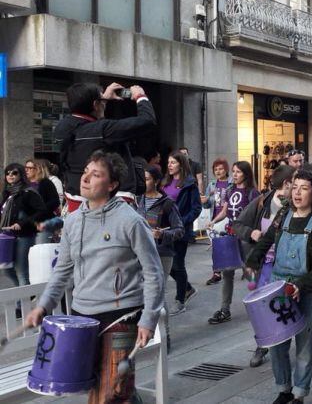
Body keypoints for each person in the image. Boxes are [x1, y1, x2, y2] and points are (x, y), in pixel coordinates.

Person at [26, 151, 164, 403]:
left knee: (113, 392)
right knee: (97, 387)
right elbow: (63, 269)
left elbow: (153, 272)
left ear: (111, 185)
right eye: (86, 172)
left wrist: (148, 319)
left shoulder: (130, 221)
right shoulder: (73, 220)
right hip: (82, 319)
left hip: (121, 316)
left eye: (96, 174)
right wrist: (43, 305)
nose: (86, 178)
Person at [245, 170, 312, 404]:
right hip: (278, 290)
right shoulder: (284, 213)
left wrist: (302, 284)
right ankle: (283, 389)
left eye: (304, 188)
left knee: (305, 347)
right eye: (295, 187)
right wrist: (253, 261)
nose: (297, 192)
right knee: (277, 344)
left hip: (307, 291)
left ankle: (299, 394)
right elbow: (266, 240)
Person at [232, 164, 295, 367]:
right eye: (295, 183)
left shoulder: (298, 204)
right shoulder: (262, 202)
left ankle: (287, 339)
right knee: (263, 306)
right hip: (267, 264)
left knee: (289, 304)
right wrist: (252, 233)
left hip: (291, 264)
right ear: (286, 184)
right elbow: (238, 224)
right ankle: (263, 345)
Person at [55, 83, 155, 210]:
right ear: (95, 105)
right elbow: (147, 121)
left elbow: (86, 122)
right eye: (101, 100)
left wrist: (102, 100)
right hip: (110, 203)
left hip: (75, 201)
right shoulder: (104, 130)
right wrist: (140, 96)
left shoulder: (62, 128)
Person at [207, 161, 260, 324]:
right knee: (227, 273)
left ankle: (259, 305)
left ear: (246, 174)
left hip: (246, 239)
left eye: (238, 172)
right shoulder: (230, 190)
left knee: (251, 274)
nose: (234, 175)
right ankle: (225, 308)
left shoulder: (253, 193)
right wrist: (214, 221)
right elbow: (225, 211)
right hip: (230, 236)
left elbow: (257, 217)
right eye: (234, 172)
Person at [162, 151, 202, 315]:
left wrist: (181, 222)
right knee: (165, 264)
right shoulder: (165, 182)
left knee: (178, 264)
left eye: (173, 162)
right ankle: (188, 288)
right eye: (168, 162)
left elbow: (196, 208)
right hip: (164, 230)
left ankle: (180, 300)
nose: (169, 165)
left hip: (180, 231)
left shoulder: (189, 184)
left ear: (181, 164)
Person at [0, 163, 47, 286]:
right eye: (8, 173)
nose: (10, 175)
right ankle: (24, 295)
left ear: (21, 175)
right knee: (6, 269)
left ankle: (22, 303)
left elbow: (42, 211)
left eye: (14, 173)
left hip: (24, 236)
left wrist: (22, 223)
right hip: (7, 237)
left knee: (21, 271)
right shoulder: (7, 194)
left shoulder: (28, 192)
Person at [137, 166, 184, 281]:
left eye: (147, 179)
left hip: (161, 254)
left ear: (156, 181)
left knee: (157, 293)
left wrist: (162, 234)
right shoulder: (137, 201)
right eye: (142, 179)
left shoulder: (168, 203)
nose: (143, 182)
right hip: (140, 254)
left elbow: (180, 230)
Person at [202, 158, 231, 285]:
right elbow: (207, 205)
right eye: (216, 170)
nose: (218, 172)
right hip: (215, 219)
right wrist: (205, 200)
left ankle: (234, 266)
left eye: (220, 169)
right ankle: (217, 273)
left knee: (228, 245)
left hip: (228, 218)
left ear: (226, 169)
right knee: (216, 246)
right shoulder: (212, 185)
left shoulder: (232, 183)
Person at [23, 159, 60, 244]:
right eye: (25, 167)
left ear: (38, 169)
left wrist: (40, 211)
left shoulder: (46, 183)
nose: (26, 170)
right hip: (26, 224)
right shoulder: (24, 184)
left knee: (40, 250)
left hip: (42, 223)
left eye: (29, 168)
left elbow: (55, 202)